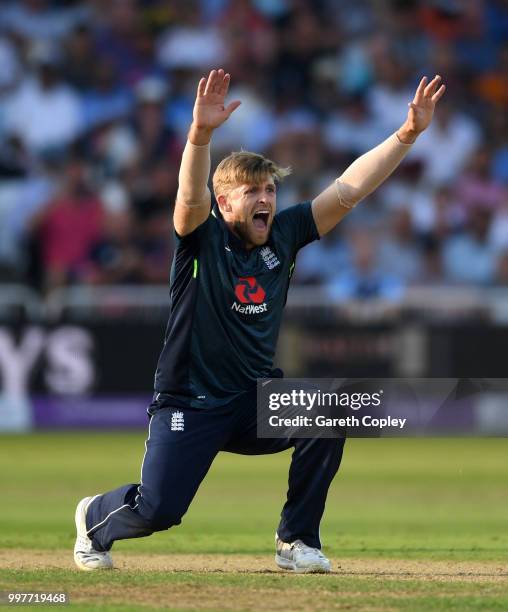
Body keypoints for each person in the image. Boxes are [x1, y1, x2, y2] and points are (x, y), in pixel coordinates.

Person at [74, 69, 445, 573]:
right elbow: (188, 198)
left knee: (332, 412)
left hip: (254, 399)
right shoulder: (200, 239)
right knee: (158, 511)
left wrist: (406, 135)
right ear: (224, 202)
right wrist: (200, 135)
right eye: (252, 192)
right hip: (192, 401)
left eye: (269, 190)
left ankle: (296, 541)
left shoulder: (283, 236)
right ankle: (95, 518)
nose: (265, 200)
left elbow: (348, 190)